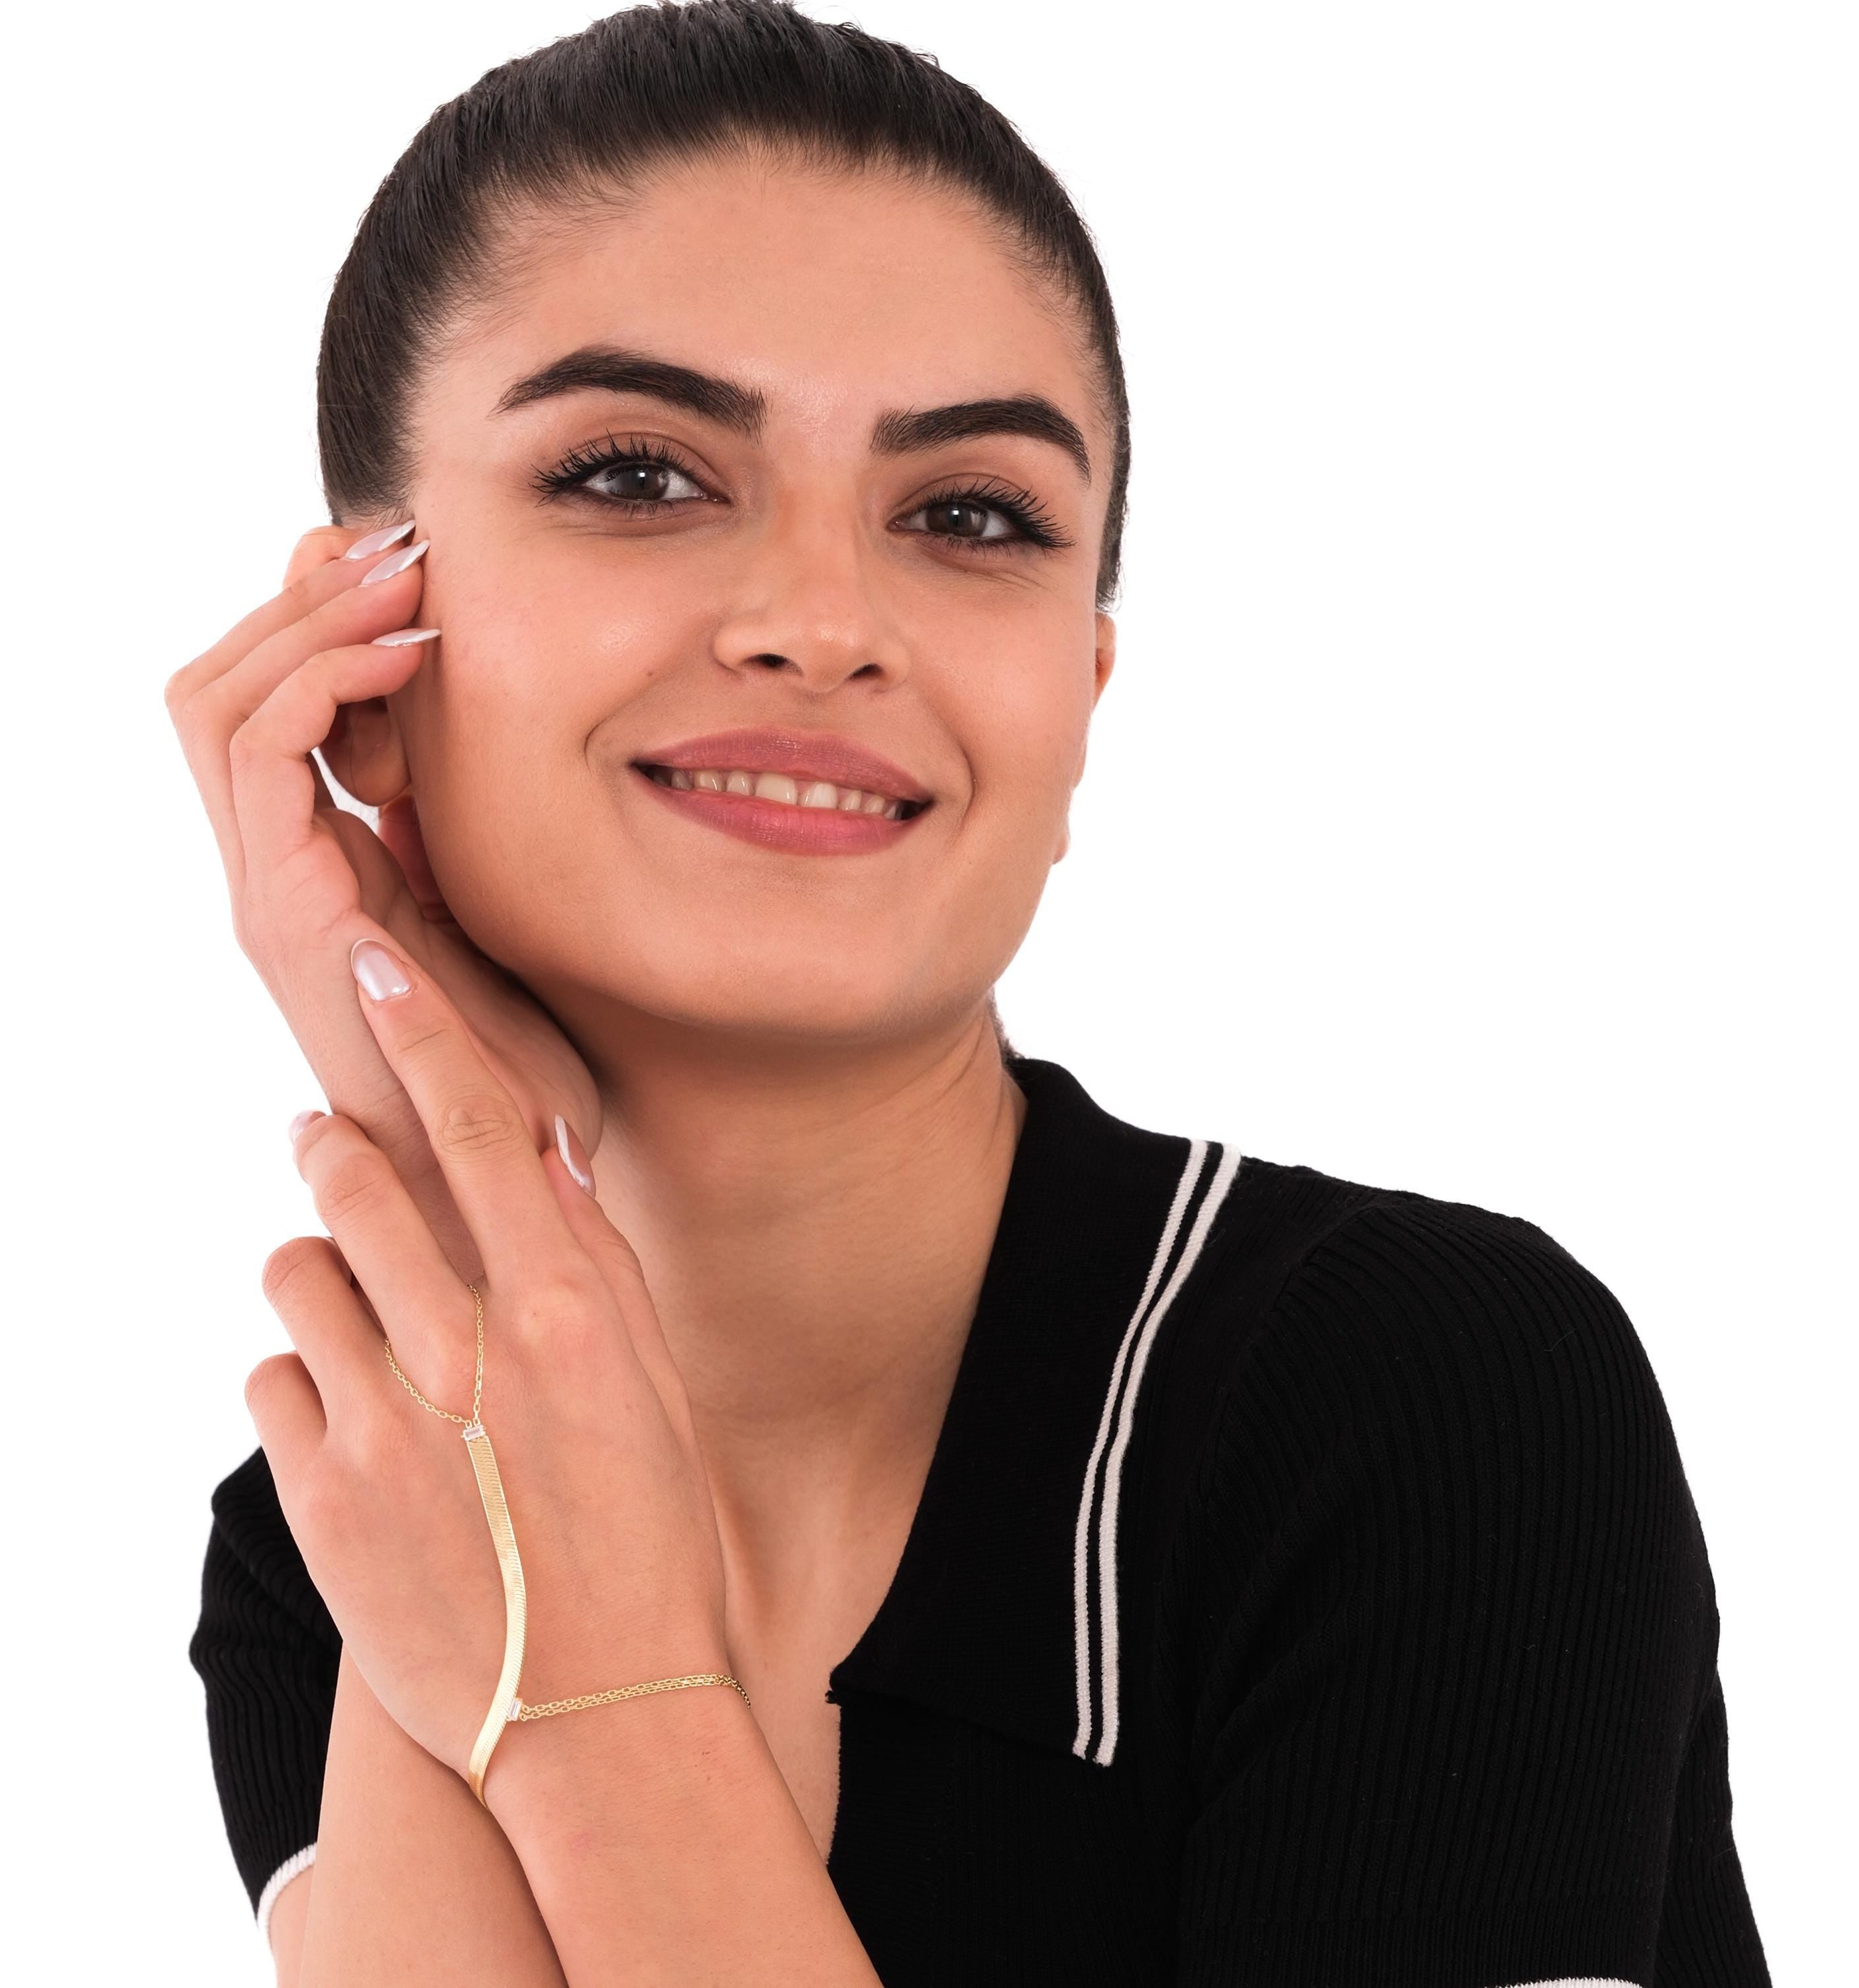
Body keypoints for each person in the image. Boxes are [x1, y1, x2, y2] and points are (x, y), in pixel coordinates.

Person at [169, 3, 1770, 1983]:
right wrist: (459, 1245)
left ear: (1078, 708)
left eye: (970, 516)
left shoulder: (1415, 1399)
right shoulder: (334, 1513)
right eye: (639, 474)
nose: (825, 625)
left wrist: (582, 1693)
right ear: (363, 657)